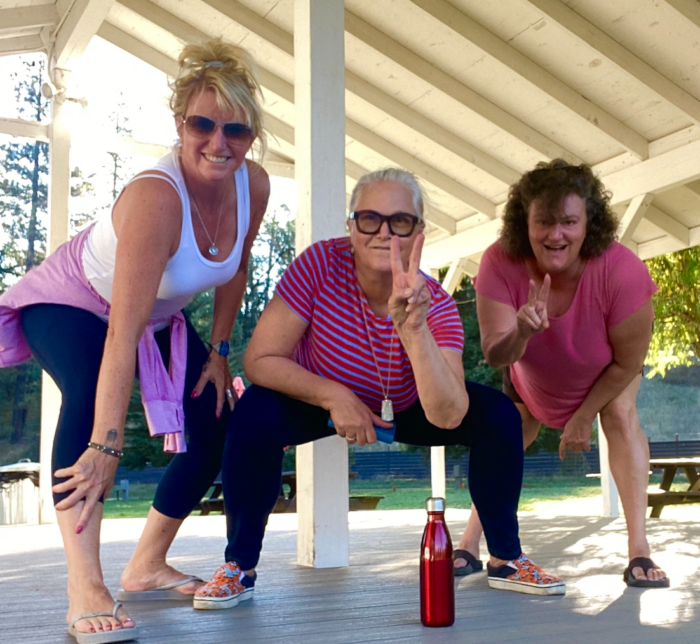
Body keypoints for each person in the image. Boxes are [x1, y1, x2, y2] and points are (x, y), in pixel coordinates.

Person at [190, 167, 565, 610]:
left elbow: (448, 414)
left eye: (400, 221)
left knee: (500, 415)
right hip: (319, 398)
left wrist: (414, 328)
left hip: (406, 403)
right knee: (254, 414)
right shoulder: (318, 265)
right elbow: (259, 360)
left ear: (419, 231)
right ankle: (239, 567)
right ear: (351, 227)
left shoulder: (436, 306)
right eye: (369, 219)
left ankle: (505, 558)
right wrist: (334, 396)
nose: (383, 232)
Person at [0, 39, 270, 642]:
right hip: (71, 301)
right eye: (202, 123)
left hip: (152, 317)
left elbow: (239, 264)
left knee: (217, 417)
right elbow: (120, 332)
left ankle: (146, 564)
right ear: (179, 123)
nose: (218, 142)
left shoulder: (253, 183)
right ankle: (84, 584)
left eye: (236, 129)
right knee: (91, 392)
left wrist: (221, 352)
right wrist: (106, 443)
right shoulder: (156, 196)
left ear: (253, 136)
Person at [453, 159, 668, 588]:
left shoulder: (622, 271)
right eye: (544, 222)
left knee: (622, 418)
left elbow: (627, 363)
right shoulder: (499, 261)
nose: (556, 235)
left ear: (590, 222)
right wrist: (522, 331)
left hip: (604, 376)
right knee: (506, 431)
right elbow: (497, 354)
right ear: (524, 222)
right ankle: (471, 542)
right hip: (530, 374)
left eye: (569, 221)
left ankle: (639, 549)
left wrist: (584, 415)